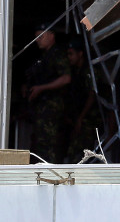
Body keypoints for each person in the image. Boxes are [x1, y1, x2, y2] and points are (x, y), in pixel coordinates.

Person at [24, 23, 71, 163]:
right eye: (36, 37)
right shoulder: (44, 57)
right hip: (42, 108)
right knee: (40, 143)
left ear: (51, 36)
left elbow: (66, 78)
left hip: (53, 109)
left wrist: (41, 88)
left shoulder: (57, 54)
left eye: (41, 36)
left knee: (49, 146)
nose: (37, 40)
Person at [65, 36, 105, 163]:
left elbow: (92, 95)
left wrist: (81, 118)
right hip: (78, 119)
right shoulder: (75, 72)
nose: (69, 57)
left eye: (71, 54)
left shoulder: (89, 72)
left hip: (89, 121)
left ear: (80, 54)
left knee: (83, 155)